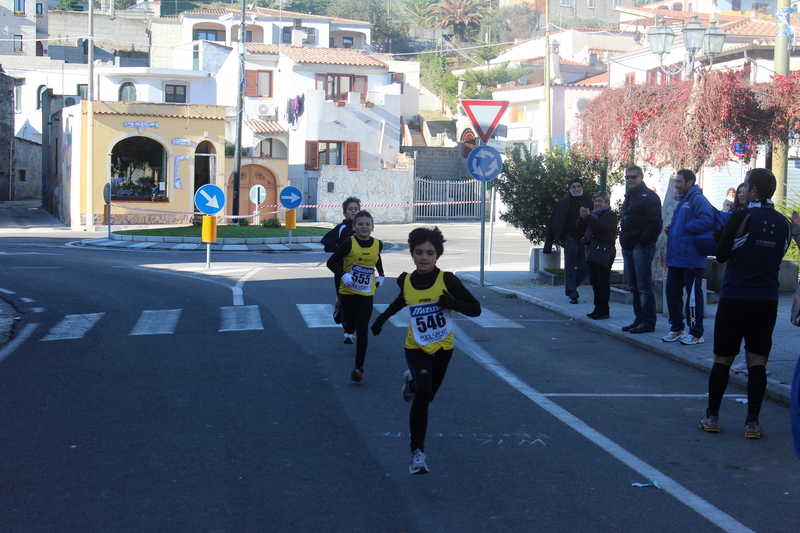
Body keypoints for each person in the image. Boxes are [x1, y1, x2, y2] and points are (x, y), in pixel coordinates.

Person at [370, 227, 481, 475]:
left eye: (429, 253)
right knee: (425, 391)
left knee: (425, 395)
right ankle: (417, 453)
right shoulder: (406, 280)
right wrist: (381, 320)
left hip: (443, 348)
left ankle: (409, 385)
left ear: (437, 255)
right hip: (416, 347)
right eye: (419, 252)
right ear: (412, 253)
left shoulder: (448, 280)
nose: (424, 257)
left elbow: (476, 309)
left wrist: (452, 303)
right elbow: (402, 300)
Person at [700, 168, 792, 439]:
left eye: (745, 185)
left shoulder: (741, 216)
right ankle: (752, 423)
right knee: (757, 362)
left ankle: (712, 416)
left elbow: (723, 254)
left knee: (723, 359)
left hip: (736, 295)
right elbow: (778, 254)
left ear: (753, 191)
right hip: (766, 298)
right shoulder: (784, 222)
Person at [326, 210, 385, 382]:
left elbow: (377, 258)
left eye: (367, 224)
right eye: (360, 224)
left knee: (362, 327)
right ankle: (341, 312)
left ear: (373, 227)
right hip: (348, 292)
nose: (364, 227)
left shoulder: (378, 244)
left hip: (366, 293)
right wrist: (344, 275)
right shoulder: (348, 243)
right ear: (354, 227)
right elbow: (331, 262)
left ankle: (359, 367)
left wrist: (381, 274)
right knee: (350, 325)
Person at [662, 170, 715, 346]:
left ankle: (696, 332)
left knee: (692, 297)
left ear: (690, 182)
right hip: (677, 257)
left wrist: (685, 226)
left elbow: (708, 219)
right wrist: (672, 228)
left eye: (679, 181)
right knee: (672, 293)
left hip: (690, 258)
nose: (676, 185)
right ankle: (677, 328)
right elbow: (684, 225)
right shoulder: (682, 201)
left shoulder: (697, 199)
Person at [618, 165, 663, 334]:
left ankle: (648, 322)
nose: (630, 179)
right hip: (628, 245)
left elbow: (655, 224)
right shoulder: (629, 196)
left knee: (644, 285)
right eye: (627, 177)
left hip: (641, 246)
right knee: (634, 286)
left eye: (633, 177)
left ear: (641, 177)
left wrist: (641, 241)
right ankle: (639, 319)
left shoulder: (649, 197)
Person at [543, 177, 592, 304]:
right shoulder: (563, 202)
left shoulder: (588, 201)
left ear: (582, 187)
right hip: (570, 237)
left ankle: (571, 287)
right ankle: (572, 293)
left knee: (585, 267)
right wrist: (561, 237)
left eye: (578, 186)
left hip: (584, 239)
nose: (576, 189)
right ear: (570, 189)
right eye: (574, 187)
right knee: (570, 266)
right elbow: (554, 222)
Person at [322, 197, 361, 325]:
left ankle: (353, 323)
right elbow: (327, 247)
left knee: (358, 299)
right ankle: (341, 314)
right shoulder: (341, 228)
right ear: (345, 213)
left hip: (359, 269)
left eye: (356, 209)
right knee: (344, 298)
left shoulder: (362, 227)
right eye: (350, 209)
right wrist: (341, 249)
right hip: (342, 269)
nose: (353, 211)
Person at [579, 191, 617, 320]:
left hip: (604, 252)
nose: (597, 203)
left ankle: (604, 309)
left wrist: (588, 217)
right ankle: (597, 308)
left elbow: (601, 228)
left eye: (600, 201)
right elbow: (580, 228)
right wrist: (582, 217)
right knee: (594, 281)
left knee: (602, 282)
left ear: (606, 202)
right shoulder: (593, 215)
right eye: (595, 201)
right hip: (592, 250)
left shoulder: (610, 215)